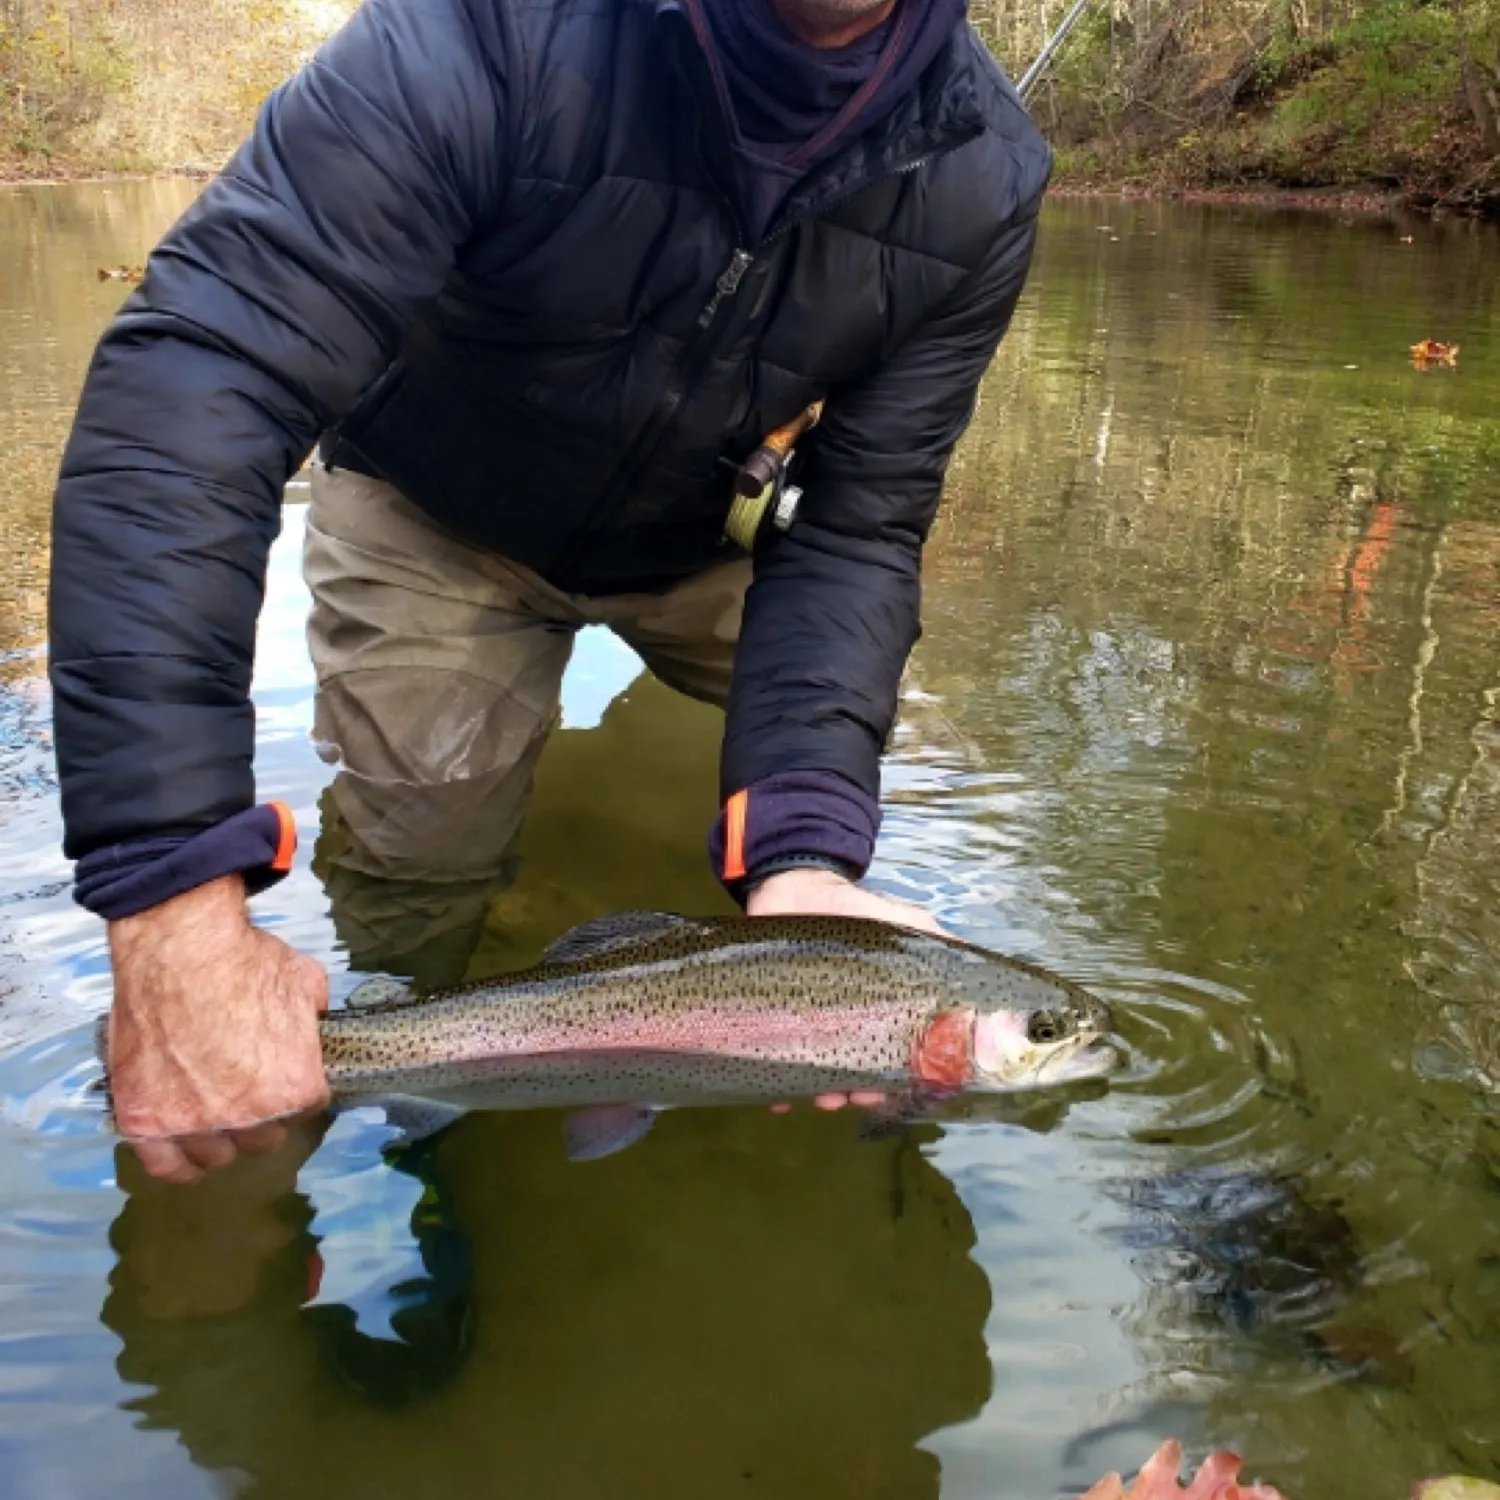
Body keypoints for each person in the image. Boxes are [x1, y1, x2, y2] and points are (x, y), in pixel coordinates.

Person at [49, 0, 1051, 1182]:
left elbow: (857, 528)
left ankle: (739, 834)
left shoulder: (985, 173)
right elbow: (206, 369)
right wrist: (173, 905)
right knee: (413, 861)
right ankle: (417, 1153)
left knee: (834, 782)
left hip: (707, 547)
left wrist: (804, 861)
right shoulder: (489, 28)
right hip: (437, 512)